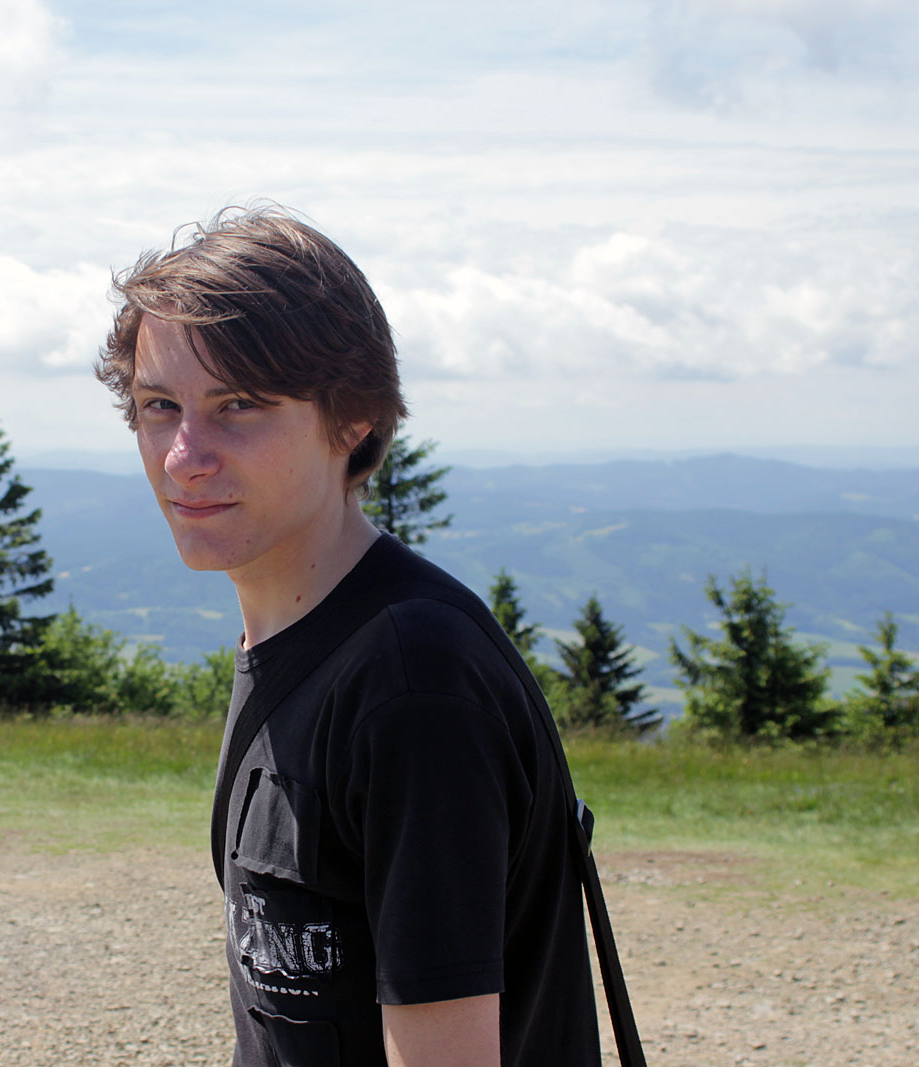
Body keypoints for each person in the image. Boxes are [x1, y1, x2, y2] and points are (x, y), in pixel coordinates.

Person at [96, 206, 600, 1067]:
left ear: (353, 418)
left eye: (239, 404)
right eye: (158, 406)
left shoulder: (412, 687)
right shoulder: (297, 641)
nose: (183, 454)